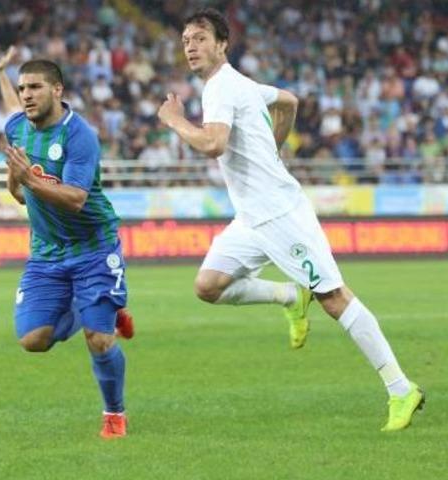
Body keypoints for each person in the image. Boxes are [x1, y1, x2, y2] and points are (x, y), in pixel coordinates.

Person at [157, 8, 424, 432]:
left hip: (280, 214)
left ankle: (400, 388)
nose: (190, 45)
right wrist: (274, 146)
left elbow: (213, 144)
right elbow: (288, 100)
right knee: (208, 286)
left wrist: (173, 120)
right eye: (186, 39)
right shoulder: (240, 84)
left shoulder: (220, 87)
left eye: (200, 38)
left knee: (334, 298)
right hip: (251, 216)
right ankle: (288, 296)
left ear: (222, 44)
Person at [0, 46, 135, 439]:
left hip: (93, 248)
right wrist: (0, 74)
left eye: (34, 87)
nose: (26, 95)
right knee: (33, 341)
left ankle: (114, 414)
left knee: (99, 339)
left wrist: (28, 179)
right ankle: (103, 306)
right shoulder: (18, 127)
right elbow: (21, 191)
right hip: (46, 253)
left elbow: (75, 199)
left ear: (57, 90)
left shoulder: (80, 136)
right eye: (22, 88)